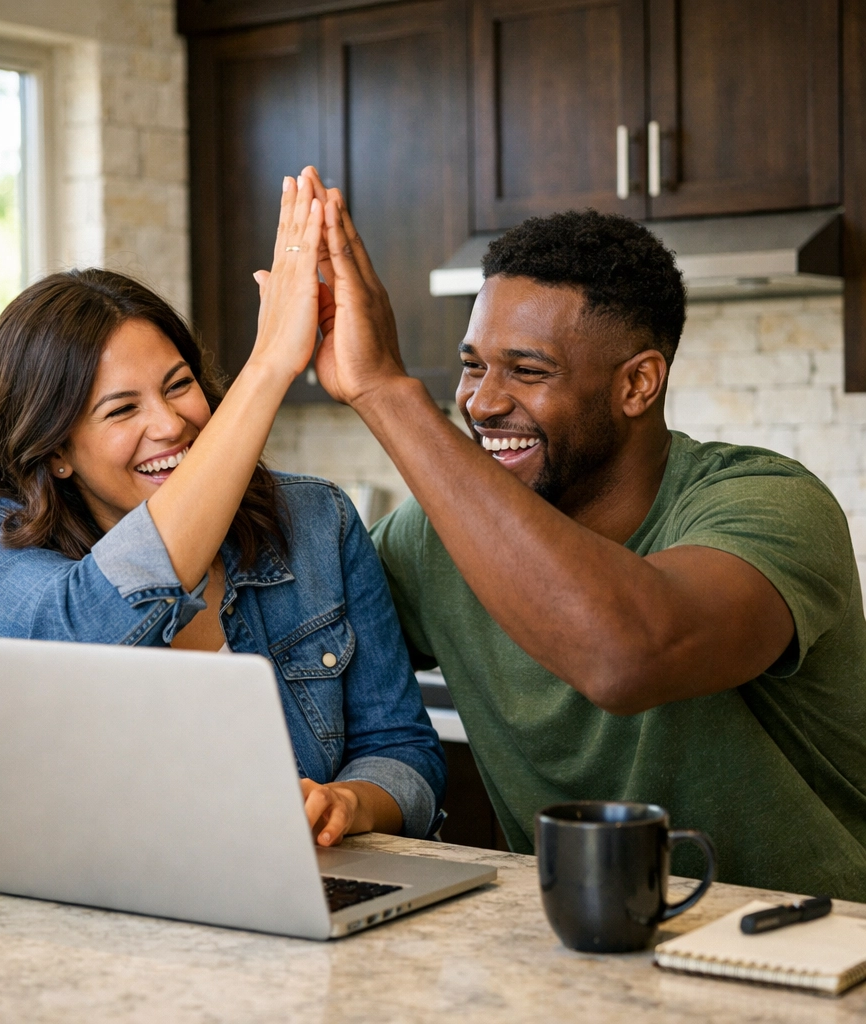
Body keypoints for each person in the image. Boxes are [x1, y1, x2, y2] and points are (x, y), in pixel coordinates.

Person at [298, 165, 866, 899]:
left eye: (527, 371)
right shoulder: (431, 538)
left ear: (637, 384)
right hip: (582, 951)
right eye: (472, 366)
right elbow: (286, 644)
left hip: (816, 952)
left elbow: (626, 656)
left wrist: (384, 391)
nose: (483, 402)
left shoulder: (770, 503)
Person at [0, 175, 445, 847]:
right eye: (122, 410)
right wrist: (268, 368)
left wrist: (349, 802)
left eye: (180, 386)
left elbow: (404, 750)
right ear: (56, 451)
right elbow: (80, 634)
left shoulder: (316, 522)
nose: (171, 424)